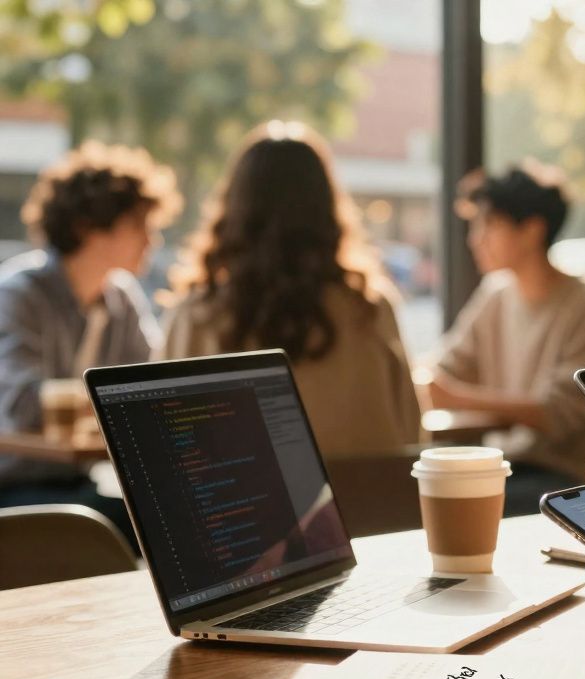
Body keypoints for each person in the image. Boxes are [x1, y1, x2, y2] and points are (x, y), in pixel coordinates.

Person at [159, 121, 419, 458]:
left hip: (239, 510)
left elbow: (160, 449)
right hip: (369, 508)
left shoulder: (196, 315)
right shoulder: (370, 309)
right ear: (328, 207)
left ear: (234, 208)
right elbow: (413, 433)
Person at [424, 163, 585, 516]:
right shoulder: (496, 294)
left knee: (452, 506)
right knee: (423, 487)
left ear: (532, 230)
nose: (476, 238)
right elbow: (446, 367)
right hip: (509, 466)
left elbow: (558, 414)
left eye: (489, 224)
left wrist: (455, 396)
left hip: (573, 480)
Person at [0, 142, 181, 539]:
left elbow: (152, 394)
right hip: (12, 487)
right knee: (132, 526)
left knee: (173, 517)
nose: (153, 242)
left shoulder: (122, 299)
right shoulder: (18, 294)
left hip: (73, 484)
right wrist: (108, 400)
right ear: (88, 227)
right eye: (140, 227)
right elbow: (25, 406)